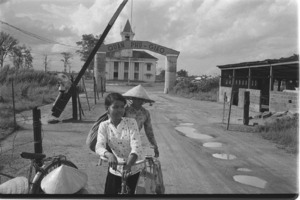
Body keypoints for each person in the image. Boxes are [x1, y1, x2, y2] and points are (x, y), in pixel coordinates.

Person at [95, 92, 143, 194]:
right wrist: (109, 155)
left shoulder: (131, 122)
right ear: (107, 108)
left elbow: (136, 146)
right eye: (115, 107)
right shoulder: (104, 125)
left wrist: (129, 165)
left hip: (132, 168)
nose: (120, 110)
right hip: (115, 169)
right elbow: (99, 145)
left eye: (122, 107)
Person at [123, 85, 159, 157]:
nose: (139, 101)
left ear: (144, 101)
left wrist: (154, 145)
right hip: (121, 140)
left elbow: (149, 131)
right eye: (137, 99)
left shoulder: (145, 113)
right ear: (132, 99)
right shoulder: (124, 110)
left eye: (141, 99)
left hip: (135, 141)